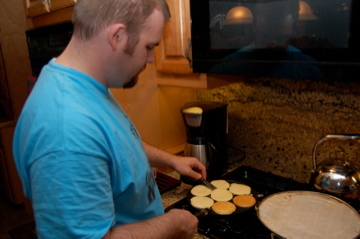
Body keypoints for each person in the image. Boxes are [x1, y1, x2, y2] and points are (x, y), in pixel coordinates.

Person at [12, 0, 207, 238]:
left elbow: (115, 143)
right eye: (148, 47)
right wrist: (174, 224)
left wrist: (170, 160)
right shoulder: (65, 128)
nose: (150, 60)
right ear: (117, 36)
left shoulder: (88, 85)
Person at [211, 0, 323, 79]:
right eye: (265, 39)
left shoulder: (310, 70)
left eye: (280, 40)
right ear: (254, 24)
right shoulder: (225, 68)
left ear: (294, 28)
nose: (271, 45)